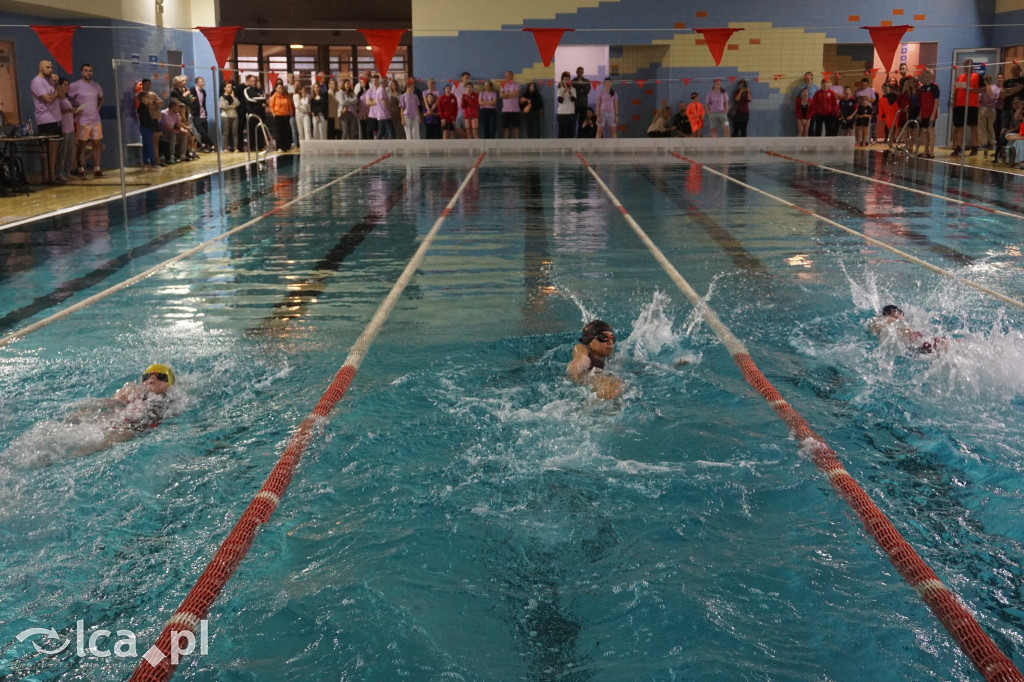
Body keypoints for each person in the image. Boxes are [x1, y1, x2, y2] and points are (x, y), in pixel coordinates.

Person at [64, 364, 177, 457]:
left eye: (161, 376)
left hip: (132, 429)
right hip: (116, 420)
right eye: (147, 376)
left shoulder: (175, 401)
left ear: (169, 384)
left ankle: (67, 458)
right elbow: (110, 403)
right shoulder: (132, 391)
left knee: (103, 442)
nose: (152, 379)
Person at [567, 320, 623, 399]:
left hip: (599, 379)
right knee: (611, 385)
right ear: (589, 341)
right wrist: (580, 359)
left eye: (612, 338)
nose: (610, 342)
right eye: (604, 337)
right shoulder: (583, 349)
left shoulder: (610, 358)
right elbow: (579, 357)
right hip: (585, 378)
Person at [68, 63, 104, 178]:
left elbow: (102, 97)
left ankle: (97, 168)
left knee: (96, 143)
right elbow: (66, 97)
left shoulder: (96, 86)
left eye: (90, 71)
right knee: (82, 144)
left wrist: (98, 107)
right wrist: (74, 108)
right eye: (86, 70)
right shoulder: (75, 85)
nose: (88, 73)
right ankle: (81, 167)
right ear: (82, 72)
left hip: (95, 119)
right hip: (82, 120)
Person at [31, 60, 62, 184]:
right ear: (40, 68)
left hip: (56, 118)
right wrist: (55, 92)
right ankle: (48, 176)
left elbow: (62, 95)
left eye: (51, 67)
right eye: (47, 67)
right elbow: (48, 99)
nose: (50, 69)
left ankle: (52, 175)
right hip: (46, 119)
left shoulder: (50, 80)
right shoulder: (36, 82)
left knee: (54, 150)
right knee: (48, 150)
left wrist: (57, 83)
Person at [869, 305, 948, 354]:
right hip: (916, 343)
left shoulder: (882, 324)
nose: (903, 316)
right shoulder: (891, 320)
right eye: (901, 313)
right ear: (895, 312)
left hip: (912, 346)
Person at [951, 59, 983, 156]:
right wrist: (954, 103)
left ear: (972, 66)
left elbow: (984, 89)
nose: (967, 67)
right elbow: (956, 91)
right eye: (965, 65)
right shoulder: (960, 77)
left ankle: (974, 147)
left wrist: (973, 90)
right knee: (959, 127)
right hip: (959, 105)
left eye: (969, 65)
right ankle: (959, 147)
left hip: (972, 105)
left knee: (973, 127)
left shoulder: (978, 76)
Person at [135, 78, 161, 169]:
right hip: (146, 127)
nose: (148, 99)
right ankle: (153, 163)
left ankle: (146, 162)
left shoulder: (143, 107)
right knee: (149, 145)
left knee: (146, 145)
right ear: (142, 98)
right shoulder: (142, 107)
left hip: (145, 127)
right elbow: (145, 119)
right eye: (146, 98)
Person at [917, 69, 939, 158]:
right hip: (924, 113)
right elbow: (922, 102)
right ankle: (925, 150)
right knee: (924, 131)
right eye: (926, 77)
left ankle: (931, 151)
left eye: (929, 77)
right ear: (924, 77)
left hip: (931, 113)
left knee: (931, 131)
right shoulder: (923, 88)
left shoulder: (934, 87)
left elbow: (936, 101)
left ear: (932, 77)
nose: (928, 78)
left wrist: (933, 114)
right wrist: (920, 114)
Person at [188, 76, 213, 152]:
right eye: (201, 81)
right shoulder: (193, 90)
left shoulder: (204, 92)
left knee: (205, 131)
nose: (203, 82)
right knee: (201, 131)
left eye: (203, 81)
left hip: (203, 114)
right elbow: (189, 99)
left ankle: (204, 147)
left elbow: (203, 104)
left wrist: (205, 112)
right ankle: (212, 144)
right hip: (196, 115)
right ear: (197, 83)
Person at [500, 71, 521, 139]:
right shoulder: (503, 84)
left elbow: (517, 94)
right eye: (505, 76)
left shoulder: (516, 84)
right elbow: (501, 95)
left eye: (508, 75)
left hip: (515, 110)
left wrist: (506, 94)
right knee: (506, 128)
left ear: (512, 76)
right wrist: (511, 95)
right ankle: (505, 144)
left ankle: (516, 145)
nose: (506, 77)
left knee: (516, 128)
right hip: (505, 110)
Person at [219, 82, 240, 152]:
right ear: (224, 88)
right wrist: (232, 106)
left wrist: (233, 96)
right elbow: (223, 106)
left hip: (234, 115)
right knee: (225, 132)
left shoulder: (233, 96)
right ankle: (225, 148)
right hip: (225, 116)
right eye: (228, 87)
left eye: (231, 87)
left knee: (235, 132)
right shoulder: (222, 97)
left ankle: (235, 147)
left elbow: (238, 103)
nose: (230, 88)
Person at [556, 71, 577, 138]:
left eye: (568, 79)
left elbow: (573, 100)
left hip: (570, 112)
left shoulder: (573, 89)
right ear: (562, 80)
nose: (566, 81)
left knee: (570, 132)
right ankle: (561, 146)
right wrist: (564, 92)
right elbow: (560, 100)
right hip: (562, 113)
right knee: (561, 132)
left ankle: (570, 147)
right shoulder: (559, 89)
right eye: (565, 80)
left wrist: (569, 92)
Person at [572, 66, 591, 135]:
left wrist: (581, 84)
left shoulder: (586, 81)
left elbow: (587, 91)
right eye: (578, 72)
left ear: (583, 73)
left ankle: (579, 137)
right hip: (575, 105)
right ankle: (573, 137)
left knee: (581, 122)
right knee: (573, 122)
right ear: (576, 72)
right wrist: (582, 89)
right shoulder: (573, 81)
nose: (580, 73)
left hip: (583, 104)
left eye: (581, 72)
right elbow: (573, 91)